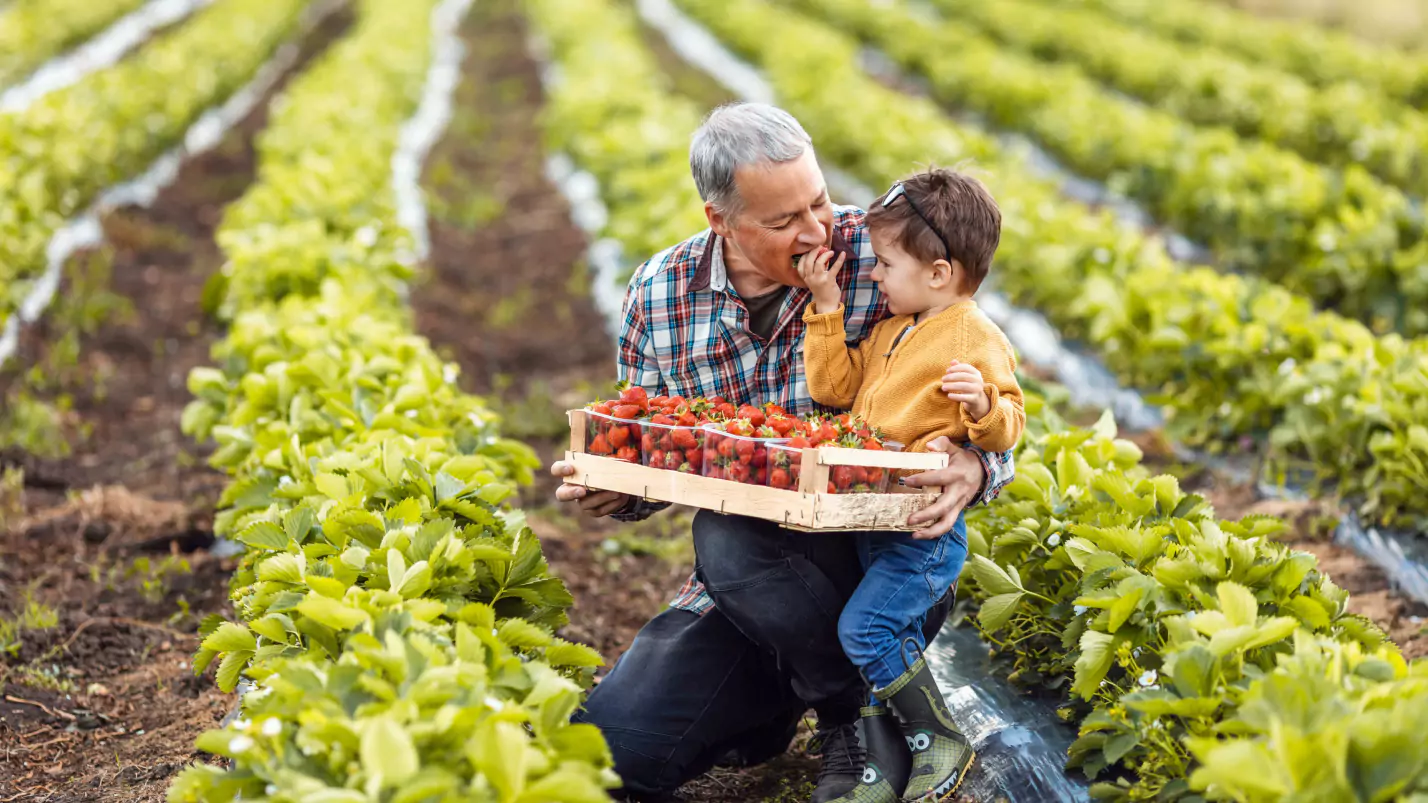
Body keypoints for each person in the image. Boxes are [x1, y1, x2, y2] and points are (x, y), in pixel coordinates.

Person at [548, 102, 1016, 802]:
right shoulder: (660, 294)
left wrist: (979, 465)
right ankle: (799, 706)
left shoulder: (886, 253)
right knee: (613, 756)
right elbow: (656, 451)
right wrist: (618, 486)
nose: (818, 228)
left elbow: (981, 374)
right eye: (784, 221)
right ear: (720, 221)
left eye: (820, 200)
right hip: (743, 592)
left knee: (726, 531)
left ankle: (849, 720)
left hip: (871, 557)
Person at [797, 167, 1024, 802]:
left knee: (864, 633)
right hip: (876, 523)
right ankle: (884, 766)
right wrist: (825, 310)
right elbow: (833, 391)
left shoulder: (976, 339)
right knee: (881, 644)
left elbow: (1009, 427)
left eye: (884, 264)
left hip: (922, 535)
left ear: (938, 273)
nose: (874, 275)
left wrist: (981, 405)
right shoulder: (892, 329)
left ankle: (939, 735)